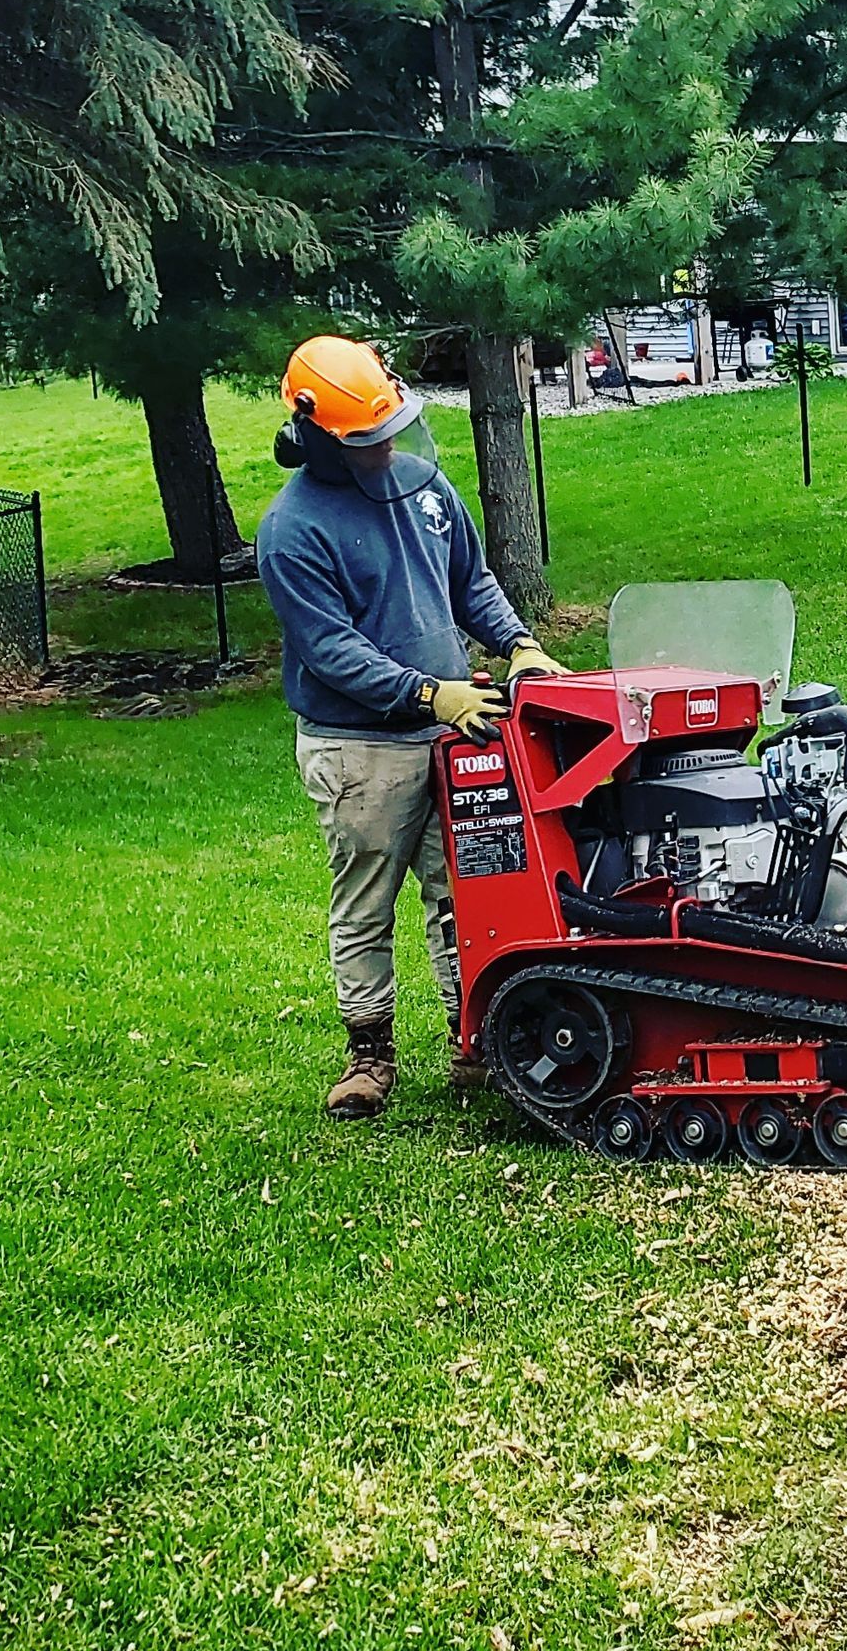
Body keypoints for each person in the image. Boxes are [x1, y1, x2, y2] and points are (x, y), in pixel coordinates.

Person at [255, 336, 567, 1120]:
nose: (386, 448)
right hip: (359, 748)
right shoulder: (291, 531)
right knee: (367, 899)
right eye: (367, 440)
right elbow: (331, 653)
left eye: (391, 430)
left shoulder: (424, 489)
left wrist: (518, 645)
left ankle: (480, 1044)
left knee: (471, 890)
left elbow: (471, 580)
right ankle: (370, 1054)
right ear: (314, 434)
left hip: (449, 731)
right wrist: (432, 694)